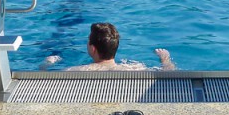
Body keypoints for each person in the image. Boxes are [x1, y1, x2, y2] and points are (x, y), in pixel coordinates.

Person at [40, 22, 176, 71]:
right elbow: (169, 75)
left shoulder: (74, 70)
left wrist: (45, 64)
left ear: (93, 49)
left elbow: (44, 84)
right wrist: (165, 59)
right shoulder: (134, 68)